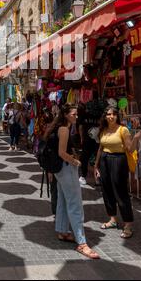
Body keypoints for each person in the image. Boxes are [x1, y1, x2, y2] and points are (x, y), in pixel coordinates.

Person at [55, 104, 100, 259]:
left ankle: (62, 231)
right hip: (66, 169)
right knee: (75, 205)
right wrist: (76, 162)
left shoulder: (59, 128)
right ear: (66, 115)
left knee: (62, 200)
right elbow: (61, 152)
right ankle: (82, 243)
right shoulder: (64, 129)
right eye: (74, 114)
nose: (76, 116)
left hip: (59, 171)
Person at [94, 106, 141, 239]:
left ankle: (128, 224)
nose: (111, 117)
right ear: (105, 116)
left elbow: (130, 149)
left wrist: (136, 138)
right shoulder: (104, 129)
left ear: (117, 116)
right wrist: (96, 165)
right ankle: (113, 220)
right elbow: (101, 148)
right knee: (107, 191)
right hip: (105, 160)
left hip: (118, 161)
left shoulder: (123, 130)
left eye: (113, 114)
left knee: (120, 193)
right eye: (108, 114)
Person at [78, 103, 100, 186]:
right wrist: (81, 138)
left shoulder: (87, 115)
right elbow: (80, 127)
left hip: (92, 140)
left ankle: (90, 177)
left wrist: (81, 138)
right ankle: (89, 177)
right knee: (90, 158)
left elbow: (80, 127)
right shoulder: (86, 115)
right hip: (92, 140)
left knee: (87, 158)